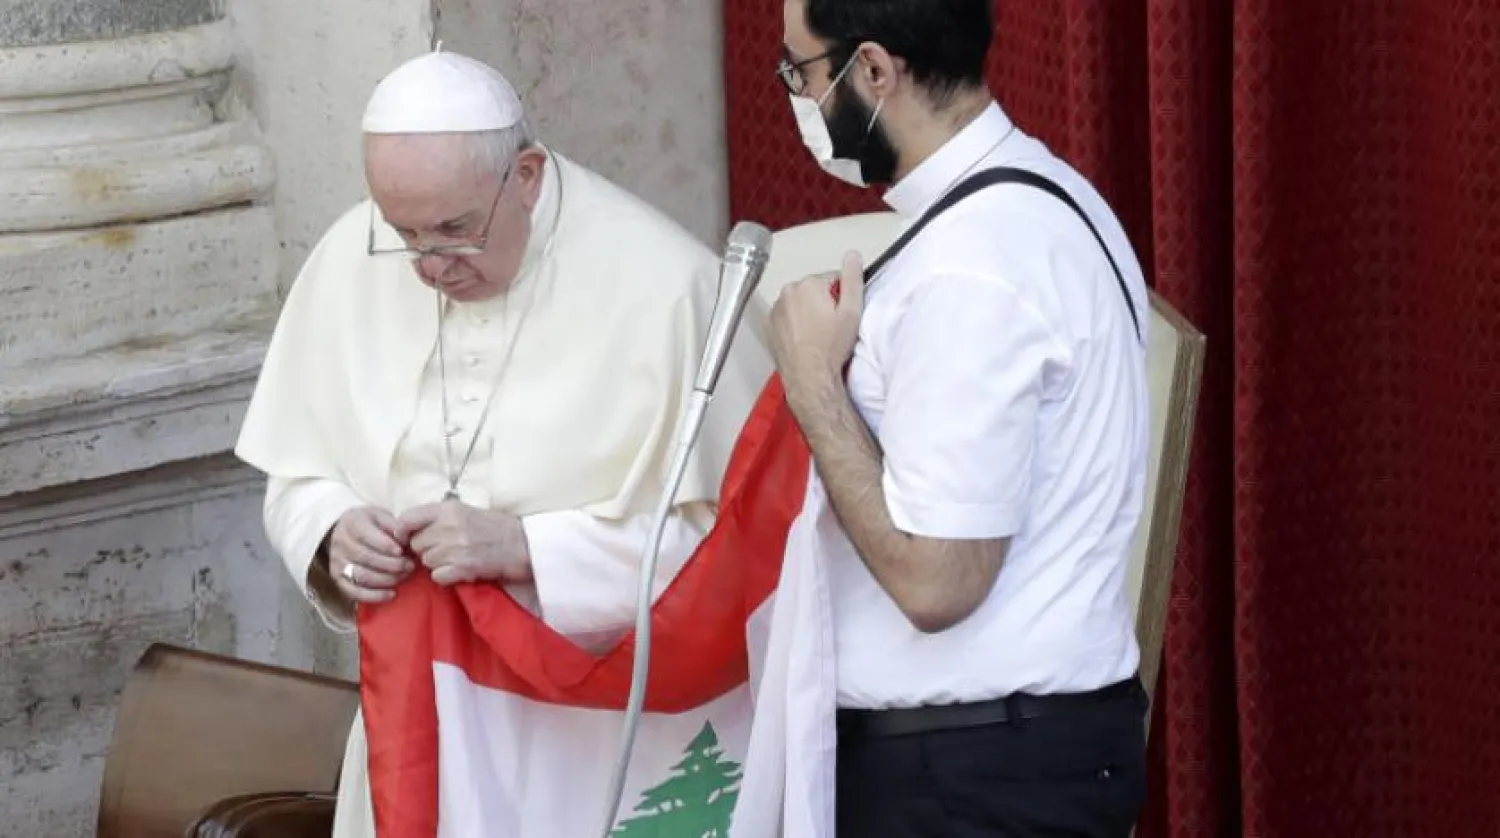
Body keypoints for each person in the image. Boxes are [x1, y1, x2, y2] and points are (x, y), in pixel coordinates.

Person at [234, 49, 770, 838]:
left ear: (524, 175)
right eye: (404, 232)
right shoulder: (354, 256)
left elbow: (735, 553)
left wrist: (528, 548)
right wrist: (331, 530)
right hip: (421, 712)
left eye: (454, 229)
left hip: (600, 730)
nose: (429, 266)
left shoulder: (667, 286)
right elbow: (297, 470)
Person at [765, 0, 1153, 835]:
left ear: (872, 70)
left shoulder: (971, 264)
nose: (797, 99)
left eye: (801, 71)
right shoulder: (1043, 193)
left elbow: (938, 581)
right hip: (1001, 761)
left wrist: (814, 387)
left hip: (970, 780)